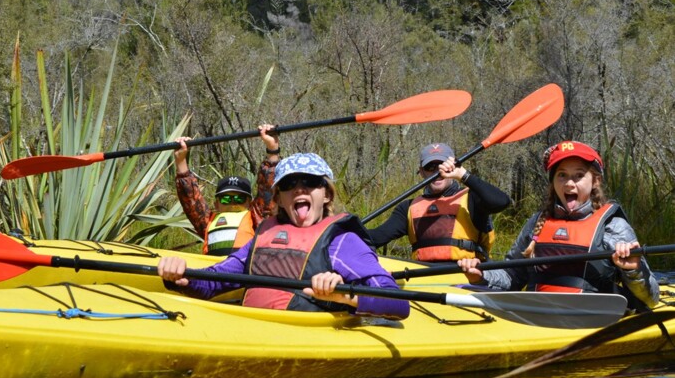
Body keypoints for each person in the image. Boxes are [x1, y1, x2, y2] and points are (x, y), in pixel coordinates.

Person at [158, 152, 410, 319]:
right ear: (278, 198)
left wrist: (344, 295)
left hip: (308, 343)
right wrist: (182, 278)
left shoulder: (342, 241)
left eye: (310, 182)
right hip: (253, 331)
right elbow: (216, 281)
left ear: (327, 195)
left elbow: (398, 303)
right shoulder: (265, 233)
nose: (299, 188)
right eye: (289, 185)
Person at [458, 140, 660, 311]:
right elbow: (512, 277)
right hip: (538, 315)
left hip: (594, 320)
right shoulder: (538, 222)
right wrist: (481, 276)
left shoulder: (614, 226)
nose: (569, 183)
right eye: (561, 175)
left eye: (579, 175)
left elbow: (651, 299)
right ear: (553, 182)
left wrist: (634, 269)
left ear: (595, 181)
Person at [367, 142, 511, 262]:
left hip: (468, 278)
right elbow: (377, 237)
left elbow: (501, 202)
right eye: (430, 168)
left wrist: (463, 175)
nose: (437, 172)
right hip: (424, 281)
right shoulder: (408, 208)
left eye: (442, 166)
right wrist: (348, 229)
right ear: (422, 172)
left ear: (453, 167)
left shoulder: (472, 198)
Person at [174, 124, 280, 255]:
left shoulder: (255, 218)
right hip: (213, 273)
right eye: (226, 198)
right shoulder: (207, 222)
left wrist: (272, 150)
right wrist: (180, 160)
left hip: (241, 273)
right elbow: (190, 200)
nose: (233, 202)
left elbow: (267, 188)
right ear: (216, 204)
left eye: (239, 198)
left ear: (249, 203)